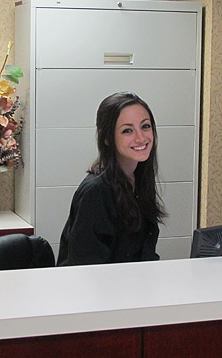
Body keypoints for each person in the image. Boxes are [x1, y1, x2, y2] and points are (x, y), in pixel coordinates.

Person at [56, 92, 166, 266]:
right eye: (127, 130)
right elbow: (86, 266)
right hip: (96, 289)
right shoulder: (97, 191)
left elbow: (143, 254)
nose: (141, 137)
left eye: (145, 126)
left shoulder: (139, 179)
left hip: (132, 286)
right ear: (107, 138)